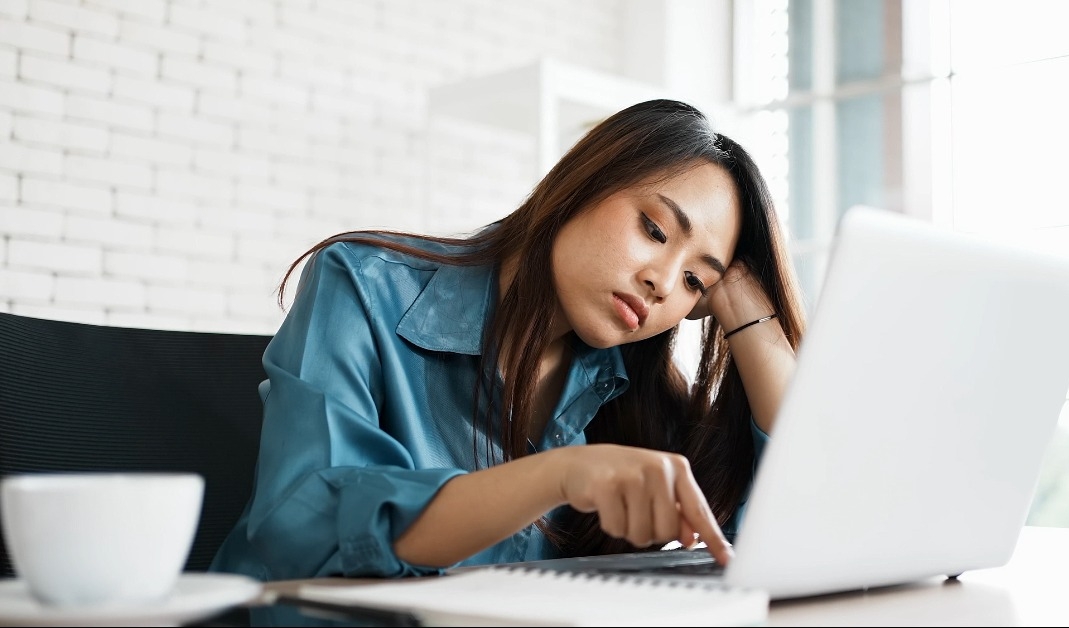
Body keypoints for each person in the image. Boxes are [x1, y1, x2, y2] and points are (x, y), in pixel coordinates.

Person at [210, 99, 806, 582]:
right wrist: (560, 474)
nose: (662, 282)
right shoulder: (363, 286)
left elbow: (794, 524)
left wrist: (749, 311)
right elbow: (305, 526)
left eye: (696, 280)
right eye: (654, 229)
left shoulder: (631, 391)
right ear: (584, 181)